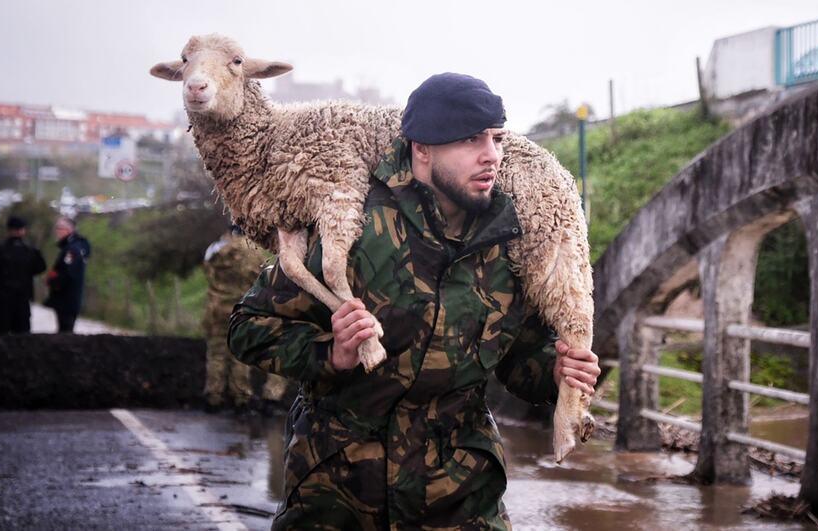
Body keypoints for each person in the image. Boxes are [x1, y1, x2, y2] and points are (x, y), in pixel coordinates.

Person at [228, 73, 601, 530]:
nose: (492, 155)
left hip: (461, 498)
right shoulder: (353, 222)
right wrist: (332, 354)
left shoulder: (510, 238)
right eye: (469, 140)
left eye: (496, 138)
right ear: (421, 148)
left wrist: (555, 372)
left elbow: (520, 358)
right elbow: (248, 326)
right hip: (342, 496)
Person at [202, 227, 288, 411]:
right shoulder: (254, 251)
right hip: (242, 309)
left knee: (216, 352)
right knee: (239, 353)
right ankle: (241, 397)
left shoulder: (216, 248)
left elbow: (207, 270)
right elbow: (264, 277)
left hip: (216, 308)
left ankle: (213, 396)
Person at [0, 216, 47, 336]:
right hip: (22, 301)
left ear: (9, 230)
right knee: (22, 338)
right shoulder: (31, 251)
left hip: (2, 301)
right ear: (23, 230)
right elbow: (41, 268)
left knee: (1, 337)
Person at [45, 216, 90, 333]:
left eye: (59, 228)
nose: (57, 232)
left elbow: (68, 273)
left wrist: (53, 281)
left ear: (68, 230)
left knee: (65, 331)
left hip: (67, 299)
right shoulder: (77, 246)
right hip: (69, 298)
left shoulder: (73, 249)